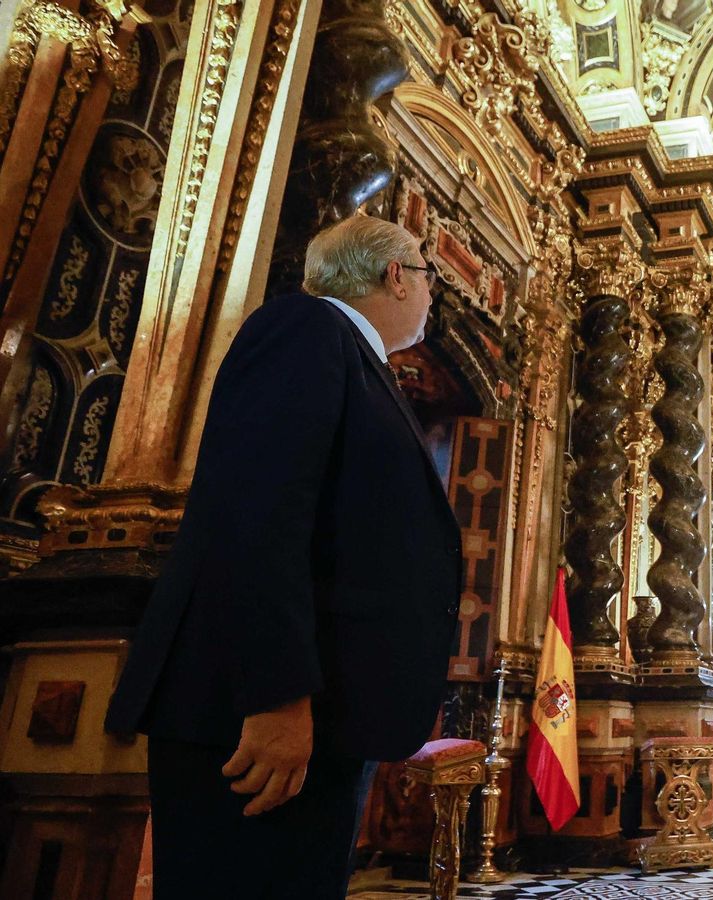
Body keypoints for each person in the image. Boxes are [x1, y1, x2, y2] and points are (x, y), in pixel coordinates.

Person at [105, 215, 463, 899]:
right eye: (428, 274)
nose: (429, 294)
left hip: (319, 712)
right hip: (259, 714)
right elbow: (258, 513)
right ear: (396, 275)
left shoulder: (355, 360)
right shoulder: (306, 331)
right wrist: (275, 696)